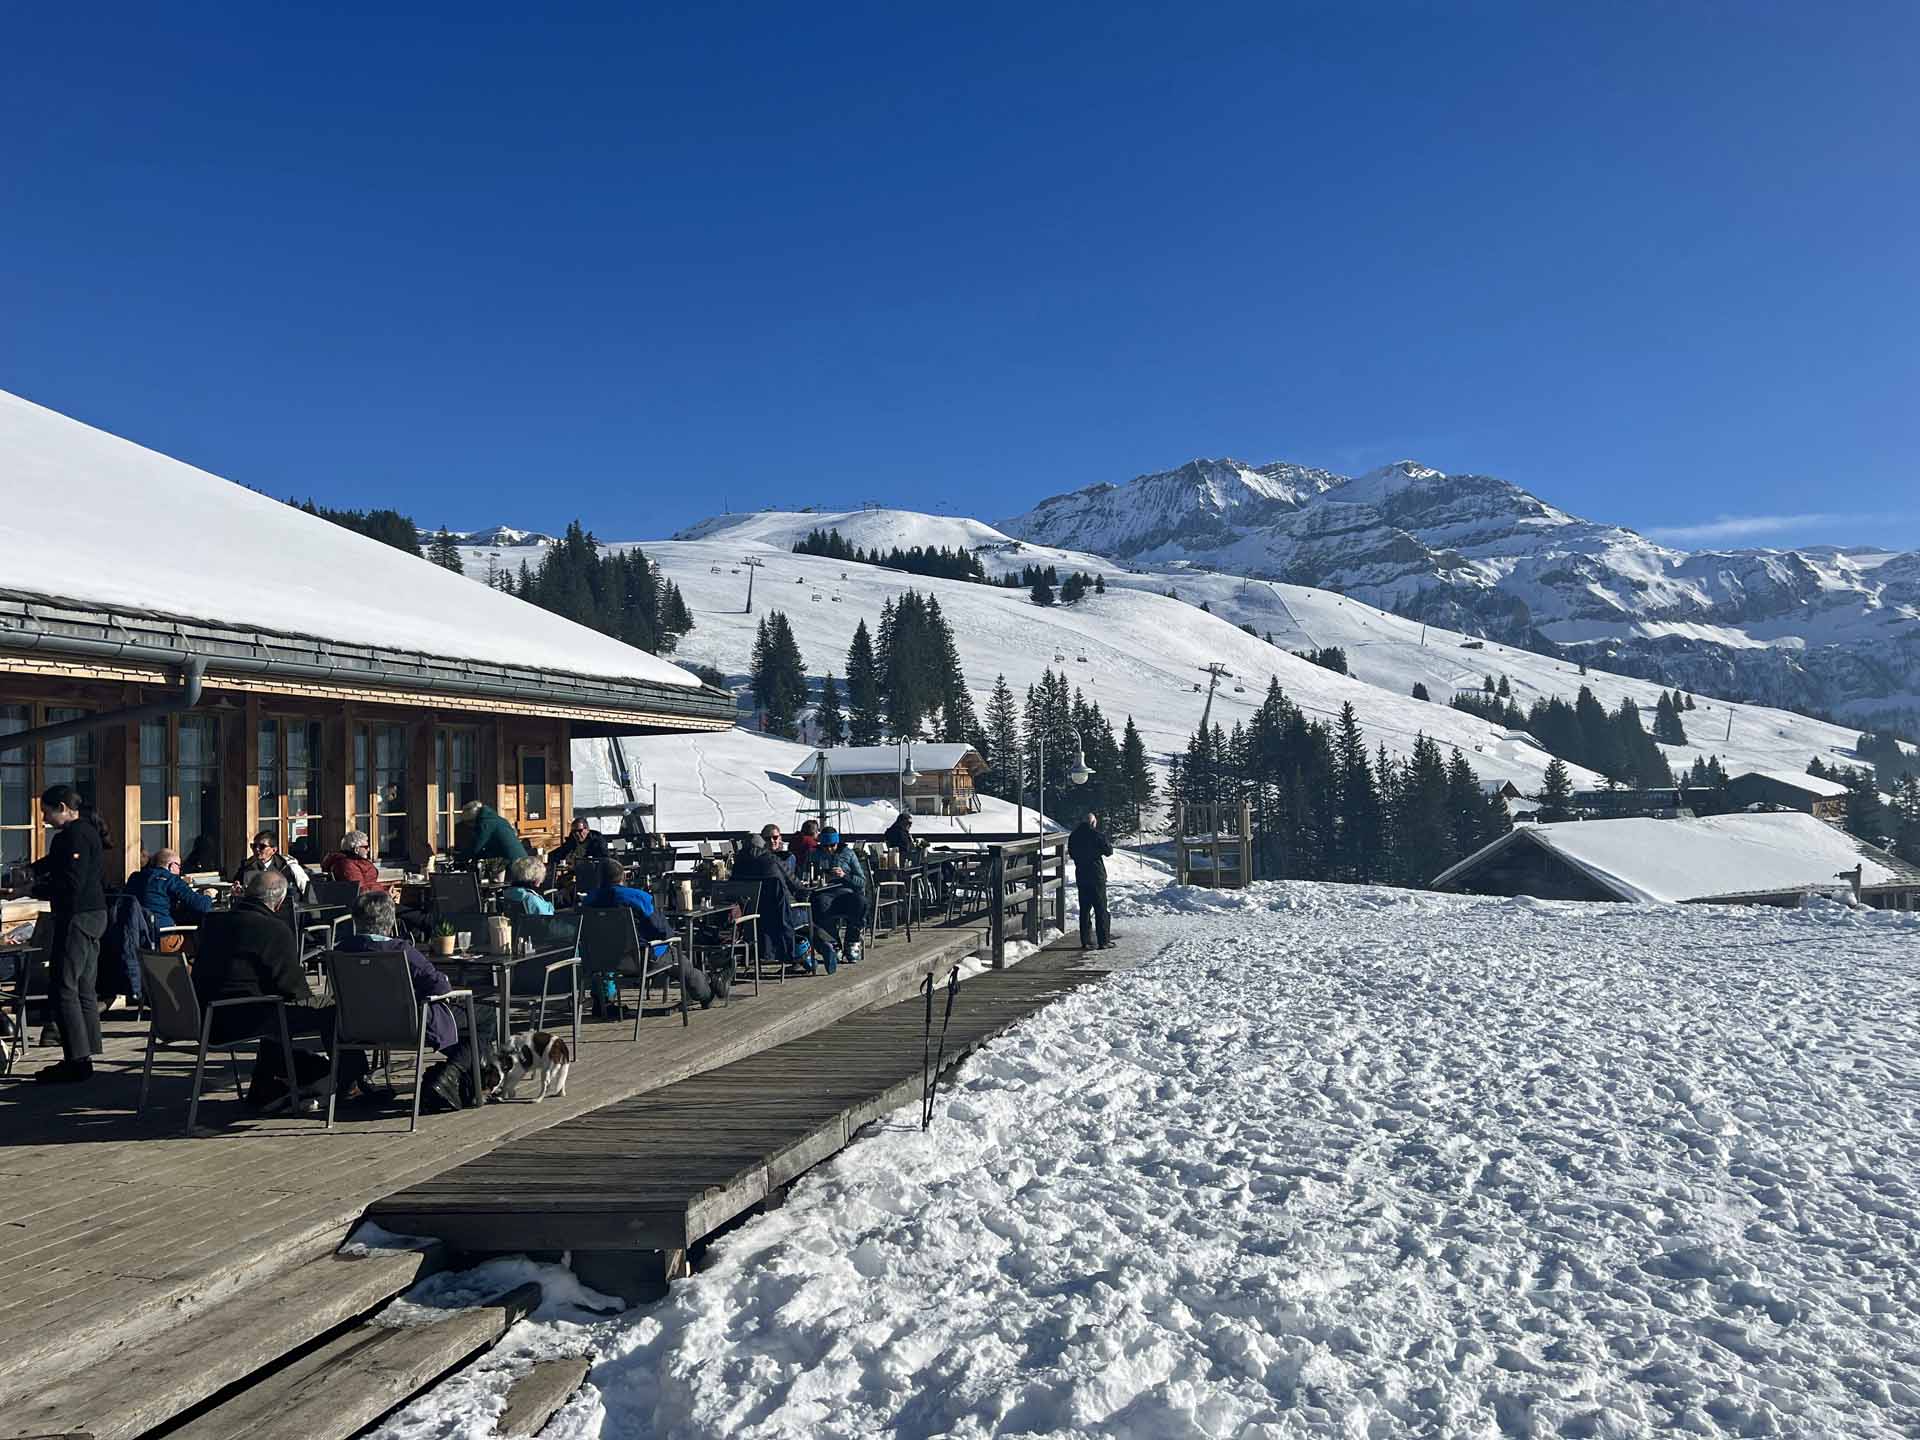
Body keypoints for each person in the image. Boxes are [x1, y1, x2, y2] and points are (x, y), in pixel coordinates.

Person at [190, 870, 366, 1102]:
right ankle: (351, 1084)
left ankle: (267, 1082)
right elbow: (294, 989)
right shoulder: (272, 929)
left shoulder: (213, 922)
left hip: (203, 1016)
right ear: (280, 901)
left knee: (281, 1011)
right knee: (333, 1010)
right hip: (242, 1017)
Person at [336, 890, 493, 1100]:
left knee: (462, 1031)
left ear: (356, 920)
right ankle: (450, 1075)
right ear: (391, 921)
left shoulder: (341, 951)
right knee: (485, 1016)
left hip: (358, 1025)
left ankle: (453, 1074)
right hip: (408, 1023)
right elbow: (439, 987)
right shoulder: (400, 950)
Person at [28, 784, 109, 1083]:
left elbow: (70, 882)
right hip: (95, 914)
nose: (44, 819)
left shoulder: (74, 835)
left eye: (47, 812)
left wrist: (30, 889)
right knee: (84, 986)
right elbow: (57, 864)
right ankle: (87, 1052)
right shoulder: (86, 830)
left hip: (77, 916)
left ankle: (76, 1059)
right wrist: (31, 869)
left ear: (62, 808)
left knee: (64, 986)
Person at [583, 860, 727, 1007]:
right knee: (681, 962)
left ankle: (601, 1001)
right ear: (623, 877)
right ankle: (707, 993)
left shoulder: (588, 901)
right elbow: (660, 929)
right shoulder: (637, 898)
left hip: (601, 961)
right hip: (640, 960)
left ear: (599, 879)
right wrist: (672, 936)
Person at [735, 826, 815, 973]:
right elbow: (797, 886)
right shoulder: (773, 860)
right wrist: (806, 891)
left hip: (750, 919)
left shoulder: (738, 864)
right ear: (763, 844)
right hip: (781, 916)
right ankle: (801, 953)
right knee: (810, 914)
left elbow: (732, 889)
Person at [127, 847, 215, 935]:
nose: (180, 871)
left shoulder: (135, 877)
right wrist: (208, 895)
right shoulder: (171, 879)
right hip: (161, 934)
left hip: (134, 935)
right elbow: (202, 906)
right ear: (172, 865)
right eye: (179, 866)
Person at [812, 827, 867, 964]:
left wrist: (845, 876)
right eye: (826, 846)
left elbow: (862, 881)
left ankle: (852, 940)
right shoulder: (814, 854)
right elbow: (805, 875)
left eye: (832, 846)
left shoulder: (848, 854)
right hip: (824, 892)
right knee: (819, 905)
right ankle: (833, 942)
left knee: (860, 902)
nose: (829, 849)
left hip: (845, 892)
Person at [1068, 811, 1113, 950]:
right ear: (1093, 823)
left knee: (1085, 910)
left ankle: (1086, 941)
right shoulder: (1096, 835)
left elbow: (1071, 853)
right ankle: (1103, 940)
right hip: (1096, 876)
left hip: (1081, 875)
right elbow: (1109, 851)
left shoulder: (1073, 836)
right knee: (1100, 909)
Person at [235, 830, 311, 897]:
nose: (256, 849)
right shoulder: (246, 867)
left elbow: (308, 894)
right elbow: (237, 888)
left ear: (274, 850)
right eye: (254, 846)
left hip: (286, 910)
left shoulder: (289, 867)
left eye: (262, 846)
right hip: (257, 910)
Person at [454, 800, 528, 867]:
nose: (470, 826)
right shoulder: (495, 818)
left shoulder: (486, 823)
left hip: (513, 863)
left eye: (469, 822)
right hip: (522, 861)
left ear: (473, 819)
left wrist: (458, 858)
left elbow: (476, 847)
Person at [548, 817, 609, 893]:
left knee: (572, 886)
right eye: (574, 831)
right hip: (575, 873)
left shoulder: (597, 841)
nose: (576, 834)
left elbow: (605, 859)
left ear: (587, 830)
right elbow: (560, 851)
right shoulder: (572, 839)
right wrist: (548, 858)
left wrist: (586, 863)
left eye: (579, 831)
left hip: (594, 875)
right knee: (559, 883)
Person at [319, 830, 387, 894]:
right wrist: (385, 893)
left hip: (373, 898)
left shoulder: (354, 861)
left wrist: (386, 891)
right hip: (365, 902)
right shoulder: (347, 865)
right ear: (356, 849)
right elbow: (359, 890)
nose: (368, 849)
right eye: (366, 847)